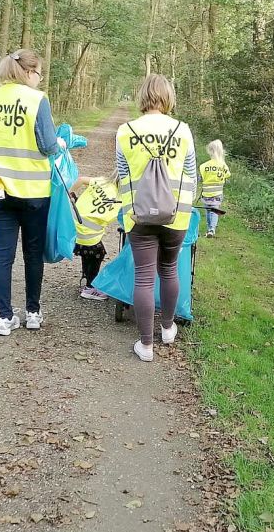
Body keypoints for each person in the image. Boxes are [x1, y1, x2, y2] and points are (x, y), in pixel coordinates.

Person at [0, 49, 64, 337]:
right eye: (39, 73)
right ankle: (33, 312)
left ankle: (5, 318)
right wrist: (61, 143)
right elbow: (48, 145)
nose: (39, 79)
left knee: (3, 254)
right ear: (28, 72)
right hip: (33, 189)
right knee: (33, 253)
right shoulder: (35, 100)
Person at [116, 74, 197, 362]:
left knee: (144, 277)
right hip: (176, 216)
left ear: (142, 96)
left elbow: (122, 174)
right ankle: (167, 329)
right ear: (168, 97)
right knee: (169, 269)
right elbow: (191, 174)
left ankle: (146, 345)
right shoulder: (182, 130)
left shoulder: (125, 131)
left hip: (139, 216)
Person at [69, 171, 121, 301]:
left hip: (73, 225)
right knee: (98, 254)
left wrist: (71, 194)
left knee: (88, 254)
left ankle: (87, 279)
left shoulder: (103, 181)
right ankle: (90, 287)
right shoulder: (122, 198)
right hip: (88, 233)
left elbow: (81, 179)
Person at [198, 139, 231, 237]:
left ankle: (209, 228)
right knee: (215, 211)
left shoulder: (204, 166)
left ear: (210, 151)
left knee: (208, 210)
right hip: (217, 193)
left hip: (206, 193)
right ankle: (211, 229)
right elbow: (227, 175)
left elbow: (201, 177)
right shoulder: (223, 165)